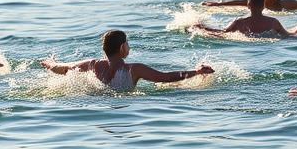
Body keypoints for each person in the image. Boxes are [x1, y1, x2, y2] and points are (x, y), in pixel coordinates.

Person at [41, 29, 214, 92]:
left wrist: (50, 64)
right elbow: (166, 77)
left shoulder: (92, 64)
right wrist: (197, 71)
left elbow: (64, 69)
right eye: (128, 44)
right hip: (122, 100)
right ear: (123, 47)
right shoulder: (134, 69)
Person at [193, 0, 297, 37]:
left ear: (248, 5)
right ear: (263, 6)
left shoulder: (239, 22)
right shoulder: (273, 22)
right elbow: (288, 35)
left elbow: (222, 33)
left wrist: (201, 27)